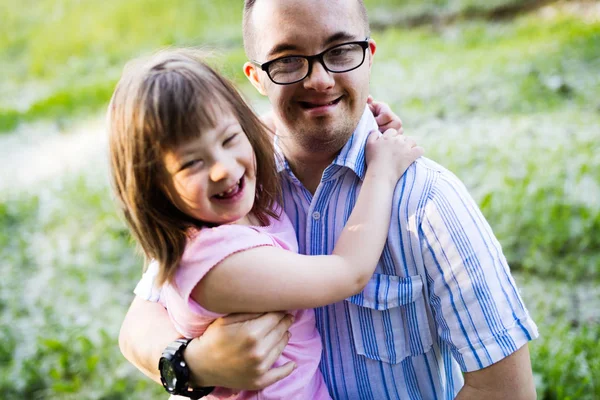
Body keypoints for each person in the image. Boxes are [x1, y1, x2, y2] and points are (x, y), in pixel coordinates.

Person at [120, 0, 540, 399]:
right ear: (256, 77)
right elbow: (138, 325)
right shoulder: (228, 203)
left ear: (369, 55)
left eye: (340, 52)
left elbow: (506, 391)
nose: (318, 80)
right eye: (287, 60)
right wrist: (194, 364)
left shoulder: (427, 202)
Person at [108, 48, 422, 399]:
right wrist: (382, 171)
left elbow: (266, 125)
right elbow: (348, 272)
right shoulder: (218, 262)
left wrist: (359, 115)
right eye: (191, 163)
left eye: (228, 140)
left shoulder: (232, 204)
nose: (223, 167)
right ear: (155, 189)